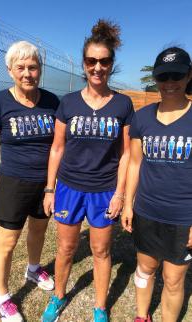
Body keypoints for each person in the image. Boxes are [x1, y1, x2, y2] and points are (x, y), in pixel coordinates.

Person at [41, 19, 134, 322]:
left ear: (111, 64)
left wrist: (119, 194)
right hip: (69, 188)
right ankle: (58, 297)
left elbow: (125, 154)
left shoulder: (122, 104)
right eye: (91, 61)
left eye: (104, 61)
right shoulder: (67, 103)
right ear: (83, 63)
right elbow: (57, 148)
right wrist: (50, 188)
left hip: (104, 191)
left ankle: (100, 307)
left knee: (101, 251)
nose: (97, 67)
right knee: (66, 249)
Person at [0, 41, 60, 322]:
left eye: (32, 67)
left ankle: (33, 269)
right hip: (13, 184)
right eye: (21, 67)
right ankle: (2, 298)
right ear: (10, 71)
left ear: (39, 69)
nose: (27, 73)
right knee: (6, 242)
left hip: (44, 185)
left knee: (38, 232)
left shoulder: (53, 102)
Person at [122, 47, 192, 322]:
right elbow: (135, 164)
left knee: (173, 280)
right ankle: (142, 316)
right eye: (164, 76)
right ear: (156, 78)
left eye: (177, 75)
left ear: (189, 76)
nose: (170, 82)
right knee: (145, 268)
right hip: (147, 211)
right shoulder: (143, 117)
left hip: (182, 217)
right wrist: (129, 204)